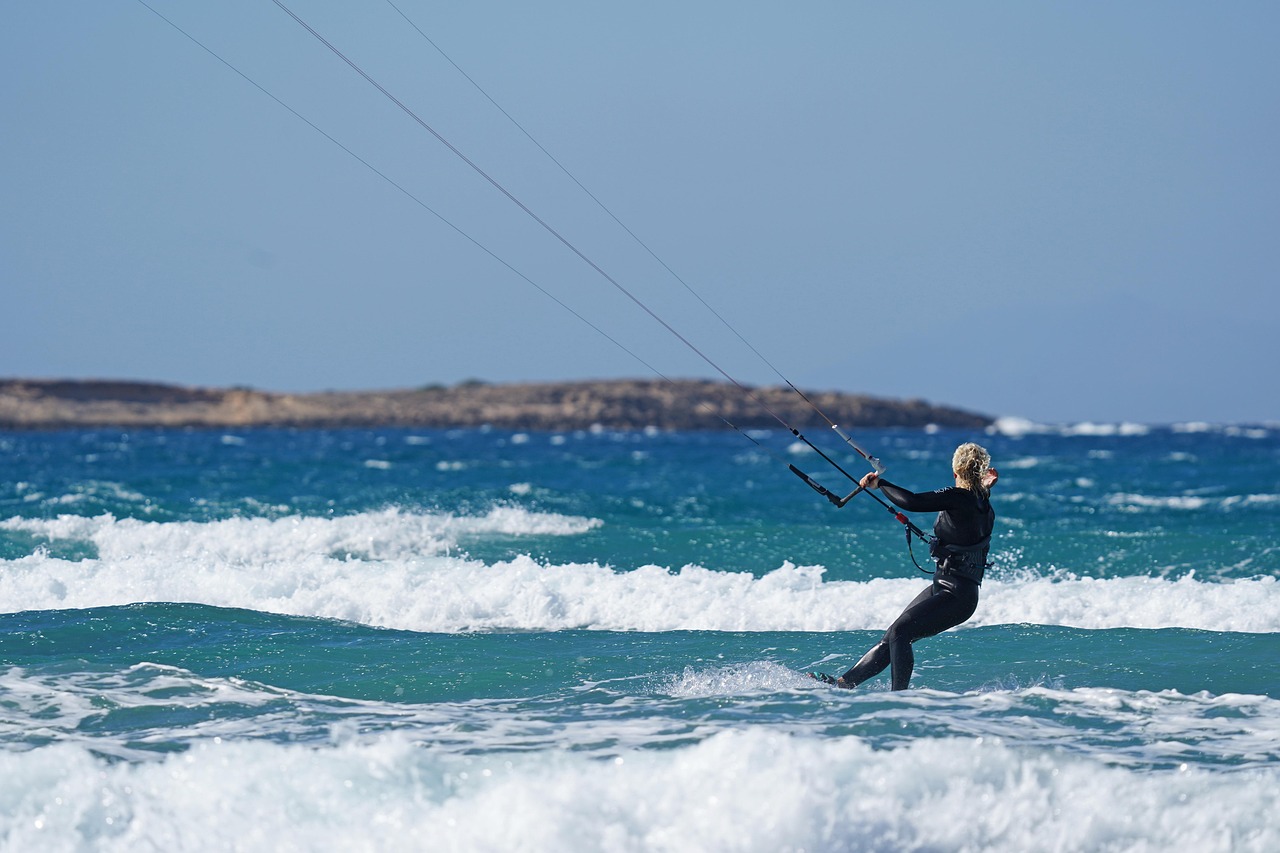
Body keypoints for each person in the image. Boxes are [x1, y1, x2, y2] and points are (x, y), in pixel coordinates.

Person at [813, 442, 998, 691]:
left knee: (902, 632)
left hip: (956, 595)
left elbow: (912, 501)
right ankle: (844, 684)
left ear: (955, 473)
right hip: (949, 587)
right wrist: (984, 483)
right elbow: (975, 498)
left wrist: (881, 484)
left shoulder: (961, 498)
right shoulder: (980, 500)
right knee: (893, 636)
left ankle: (899, 699)